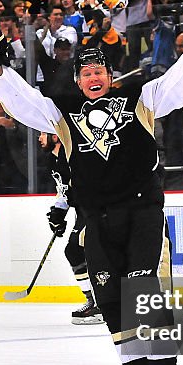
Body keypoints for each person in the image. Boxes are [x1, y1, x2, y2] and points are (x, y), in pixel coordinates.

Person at [0, 10, 183, 365]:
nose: (93, 77)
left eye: (99, 70)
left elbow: (178, 86)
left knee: (142, 291)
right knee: (110, 302)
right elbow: (24, 104)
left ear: (110, 75)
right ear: (78, 80)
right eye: (86, 71)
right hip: (96, 219)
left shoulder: (138, 99)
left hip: (141, 211)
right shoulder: (64, 113)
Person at [42, 131, 103, 324]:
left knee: (84, 251)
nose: (39, 137)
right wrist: (58, 212)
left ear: (55, 135)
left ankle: (102, 302)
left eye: (43, 133)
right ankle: (95, 300)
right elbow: (65, 190)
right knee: (75, 252)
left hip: (97, 207)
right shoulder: (54, 158)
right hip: (83, 210)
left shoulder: (74, 151)